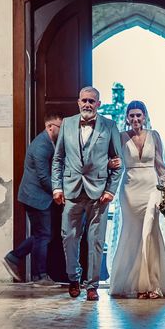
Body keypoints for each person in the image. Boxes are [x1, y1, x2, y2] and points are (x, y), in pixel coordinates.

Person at [51, 86, 123, 301]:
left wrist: (111, 190)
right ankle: (73, 278)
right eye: (84, 100)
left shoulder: (110, 126)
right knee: (69, 237)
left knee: (96, 241)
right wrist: (57, 187)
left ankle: (92, 285)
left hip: (99, 193)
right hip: (72, 191)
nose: (87, 104)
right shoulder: (68, 124)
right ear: (78, 102)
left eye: (92, 101)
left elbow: (118, 163)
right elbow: (58, 159)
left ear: (98, 104)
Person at [108, 100, 165, 299]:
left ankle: (152, 284)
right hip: (129, 191)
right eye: (132, 115)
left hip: (151, 189)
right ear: (127, 118)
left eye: (139, 115)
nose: (135, 119)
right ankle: (133, 283)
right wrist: (111, 164)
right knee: (132, 234)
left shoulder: (154, 136)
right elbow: (112, 162)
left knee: (150, 233)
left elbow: (161, 166)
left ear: (144, 116)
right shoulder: (119, 137)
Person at [2, 112, 63, 285]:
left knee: (42, 235)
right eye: (60, 127)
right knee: (43, 235)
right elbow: (44, 177)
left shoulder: (49, 142)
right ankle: (39, 276)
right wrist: (58, 193)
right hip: (35, 197)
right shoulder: (41, 146)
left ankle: (14, 258)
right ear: (50, 127)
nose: (63, 130)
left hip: (36, 196)